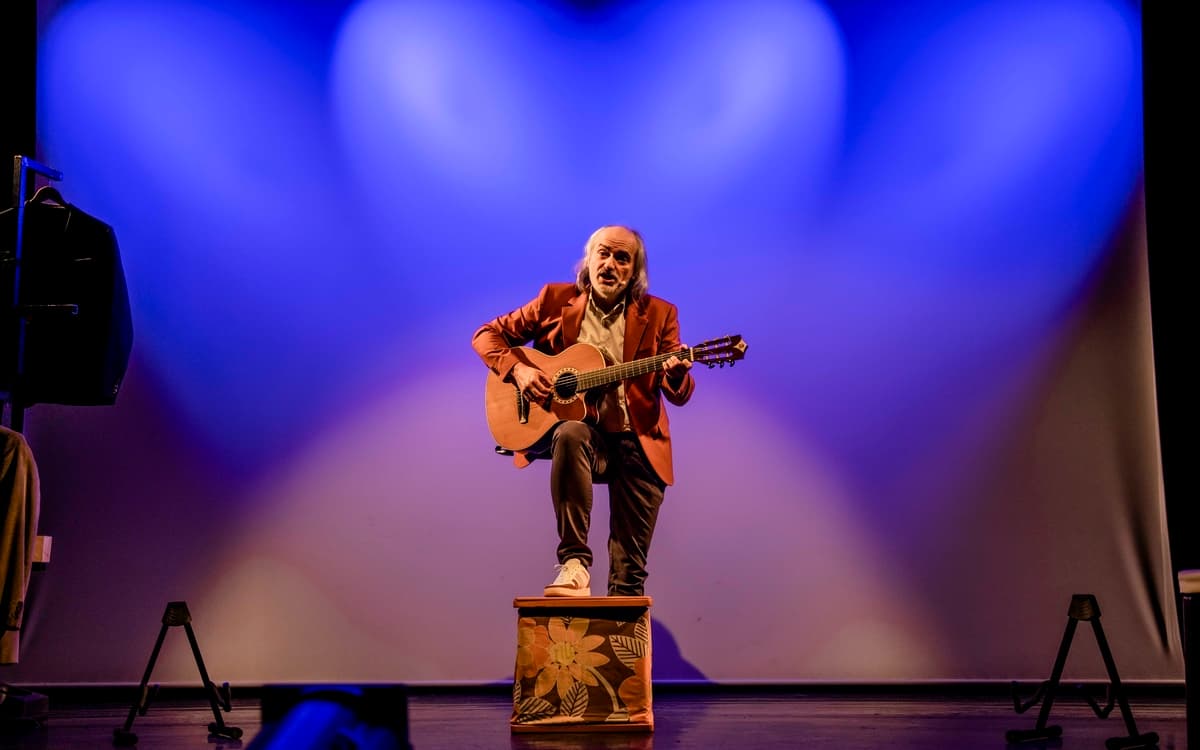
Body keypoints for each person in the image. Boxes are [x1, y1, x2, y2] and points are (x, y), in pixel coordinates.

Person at [472, 226, 694, 598]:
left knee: (629, 578)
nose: (610, 264)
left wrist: (675, 376)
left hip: (637, 443)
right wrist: (520, 370)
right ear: (587, 261)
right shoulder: (554, 300)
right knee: (571, 431)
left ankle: (621, 651)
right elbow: (485, 335)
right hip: (586, 438)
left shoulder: (660, 314)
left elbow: (680, 394)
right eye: (603, 254)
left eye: (622, 258)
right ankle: (574, 563)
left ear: (634, 271)